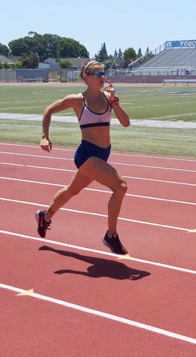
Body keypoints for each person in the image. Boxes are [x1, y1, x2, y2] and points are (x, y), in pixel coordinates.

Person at [36, 60, 131, 254]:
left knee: (72, 191)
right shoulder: (77, 100)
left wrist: (115, 102)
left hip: (103, 154)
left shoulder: (108, 98)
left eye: (103, 73)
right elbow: (49, 110)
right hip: (87, 154)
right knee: (120, 187)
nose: (102, 77)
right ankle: (111, 235)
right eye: (97, 73)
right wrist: (44, 136)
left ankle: (45, 216)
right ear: (85, 77)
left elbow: (126, 123)